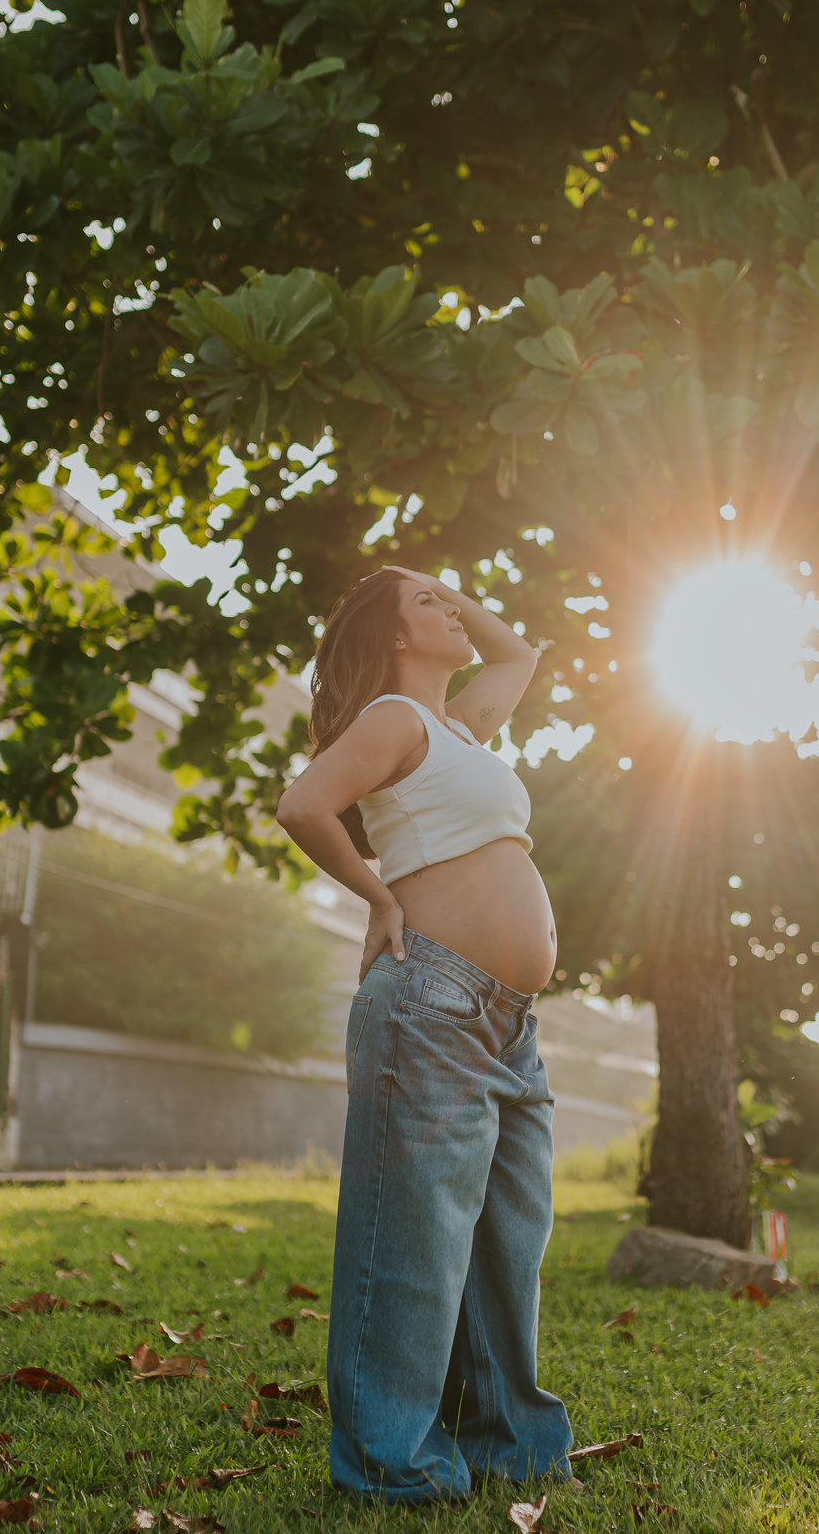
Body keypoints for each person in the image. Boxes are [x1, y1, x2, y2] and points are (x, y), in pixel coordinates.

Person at [276, 565, 572, 1502]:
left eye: (451, 600)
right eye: (429, 607)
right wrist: (377, 895)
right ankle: (390, 1466)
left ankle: (510, 1447)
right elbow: (303, 805)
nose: (452, 610)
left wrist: (433, 587)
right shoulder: (395, 719)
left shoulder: (461, 730)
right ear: (395, 638)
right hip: (434, 1004)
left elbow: (520, 652)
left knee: (504, 1244)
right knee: (414, 1247)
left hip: (505, 1023)